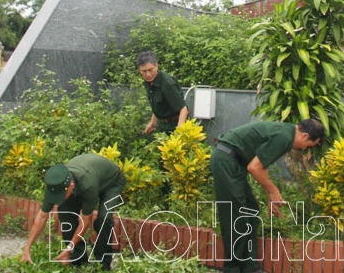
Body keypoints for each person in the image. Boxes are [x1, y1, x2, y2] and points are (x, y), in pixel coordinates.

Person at [210, 119, 325, 273]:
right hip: (226, 161)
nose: (304, 149)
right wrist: (273, 191)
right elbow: (254, 167)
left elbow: (260, 166)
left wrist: (270, 195)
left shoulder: (285, 132)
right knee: (236, 216)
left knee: (251, 210)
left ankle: (250, 267)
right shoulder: (284, 137)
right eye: (308, 146)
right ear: (304, 136)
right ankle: (232, 268)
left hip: (234, 163)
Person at [21, 153, 125, 270]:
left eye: (61, 195)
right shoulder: (56, 184)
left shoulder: (88, 185)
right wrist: (27, 248)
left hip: (112, 183)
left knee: (103, 219)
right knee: (64, 211)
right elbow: (42, 216)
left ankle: (103, 263)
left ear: (70, 186)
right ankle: (78, 258)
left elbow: (85, 221)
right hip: (92, 176)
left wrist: (68, 247)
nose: (58, 199)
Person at [137, 50, 189, 134]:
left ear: (156, 66)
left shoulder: (167, 83)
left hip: (175, 126)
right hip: (162, 126)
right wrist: (152, 123)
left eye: (150, 70)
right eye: (144, 71)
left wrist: (178, 133)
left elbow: (183, 109)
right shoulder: (149, 82)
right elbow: (158, 105)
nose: (148, 74)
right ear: (139, 70)